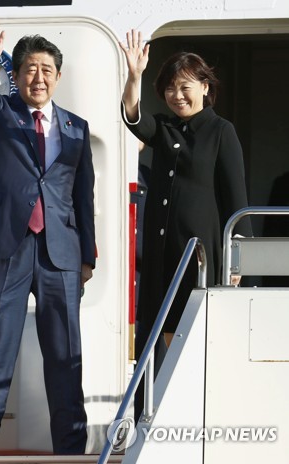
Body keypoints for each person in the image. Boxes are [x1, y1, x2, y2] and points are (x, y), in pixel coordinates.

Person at [0, 19, 96, 455]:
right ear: (16, 76)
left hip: (61, 253)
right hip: (7, 247)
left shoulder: (76, 126)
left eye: (47, 69)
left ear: (58, 76)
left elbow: (82, 193)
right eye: (30, 69)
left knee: (64, 354)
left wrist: (87, 254)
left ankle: (70, 448)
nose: (39, 77)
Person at [119, 30, 251, 419]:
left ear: (205, 87)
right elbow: (134, 119)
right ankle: (152, 413)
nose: (178, 95)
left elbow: (237, 200)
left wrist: (237, 259)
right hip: (162, 256)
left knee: (193, 335)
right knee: (154, 335)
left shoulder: (220, 131)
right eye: (170, 89)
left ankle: (197, 413)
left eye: (185, 87)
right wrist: (133, 75)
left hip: (200, 255)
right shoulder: (164, 128)